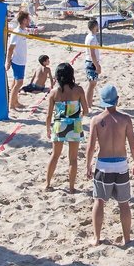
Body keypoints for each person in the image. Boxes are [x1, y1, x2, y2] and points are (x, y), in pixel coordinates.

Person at [86, 85, 134, 246]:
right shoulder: (125, 119)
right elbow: (133, 144)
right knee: (124, 203)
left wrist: (88, 165)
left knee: (99, 201)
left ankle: (96, 238)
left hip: (103, 165)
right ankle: (127, 238)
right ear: (117, 100)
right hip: (121, 165)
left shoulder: (96, 120)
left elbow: (91, 146)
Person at [45, 63, 90, 193]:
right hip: (74, 125)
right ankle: (71, 187)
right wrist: (79, 116)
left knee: (55, 156)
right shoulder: (79, 90)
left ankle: (47, 184)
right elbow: (86, 110)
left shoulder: (54, 92)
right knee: (73, 159)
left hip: (59, 124)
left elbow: (48, 115)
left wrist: (48, 129)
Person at [5, 11, 31, 110]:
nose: (29, 20)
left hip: (22, 60)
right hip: (17, 61)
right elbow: (10, 48)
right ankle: (11, 104)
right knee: (19, 83)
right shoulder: (17, 32)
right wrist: (8, 62)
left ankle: (15, 102)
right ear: (24, 20)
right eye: (28, 19)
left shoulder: (23, 31)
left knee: (15, 82)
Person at [85, 19, 102, 106]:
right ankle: (88, 105)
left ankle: (89, 103)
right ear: (95, 27)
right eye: (97, 25)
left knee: (92, 84)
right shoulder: (92, 38)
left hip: (91, 62)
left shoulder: (90, 36)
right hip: (91, 63)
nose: (98, 27)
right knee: (91, 85)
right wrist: (97, 66)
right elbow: (92, 54)